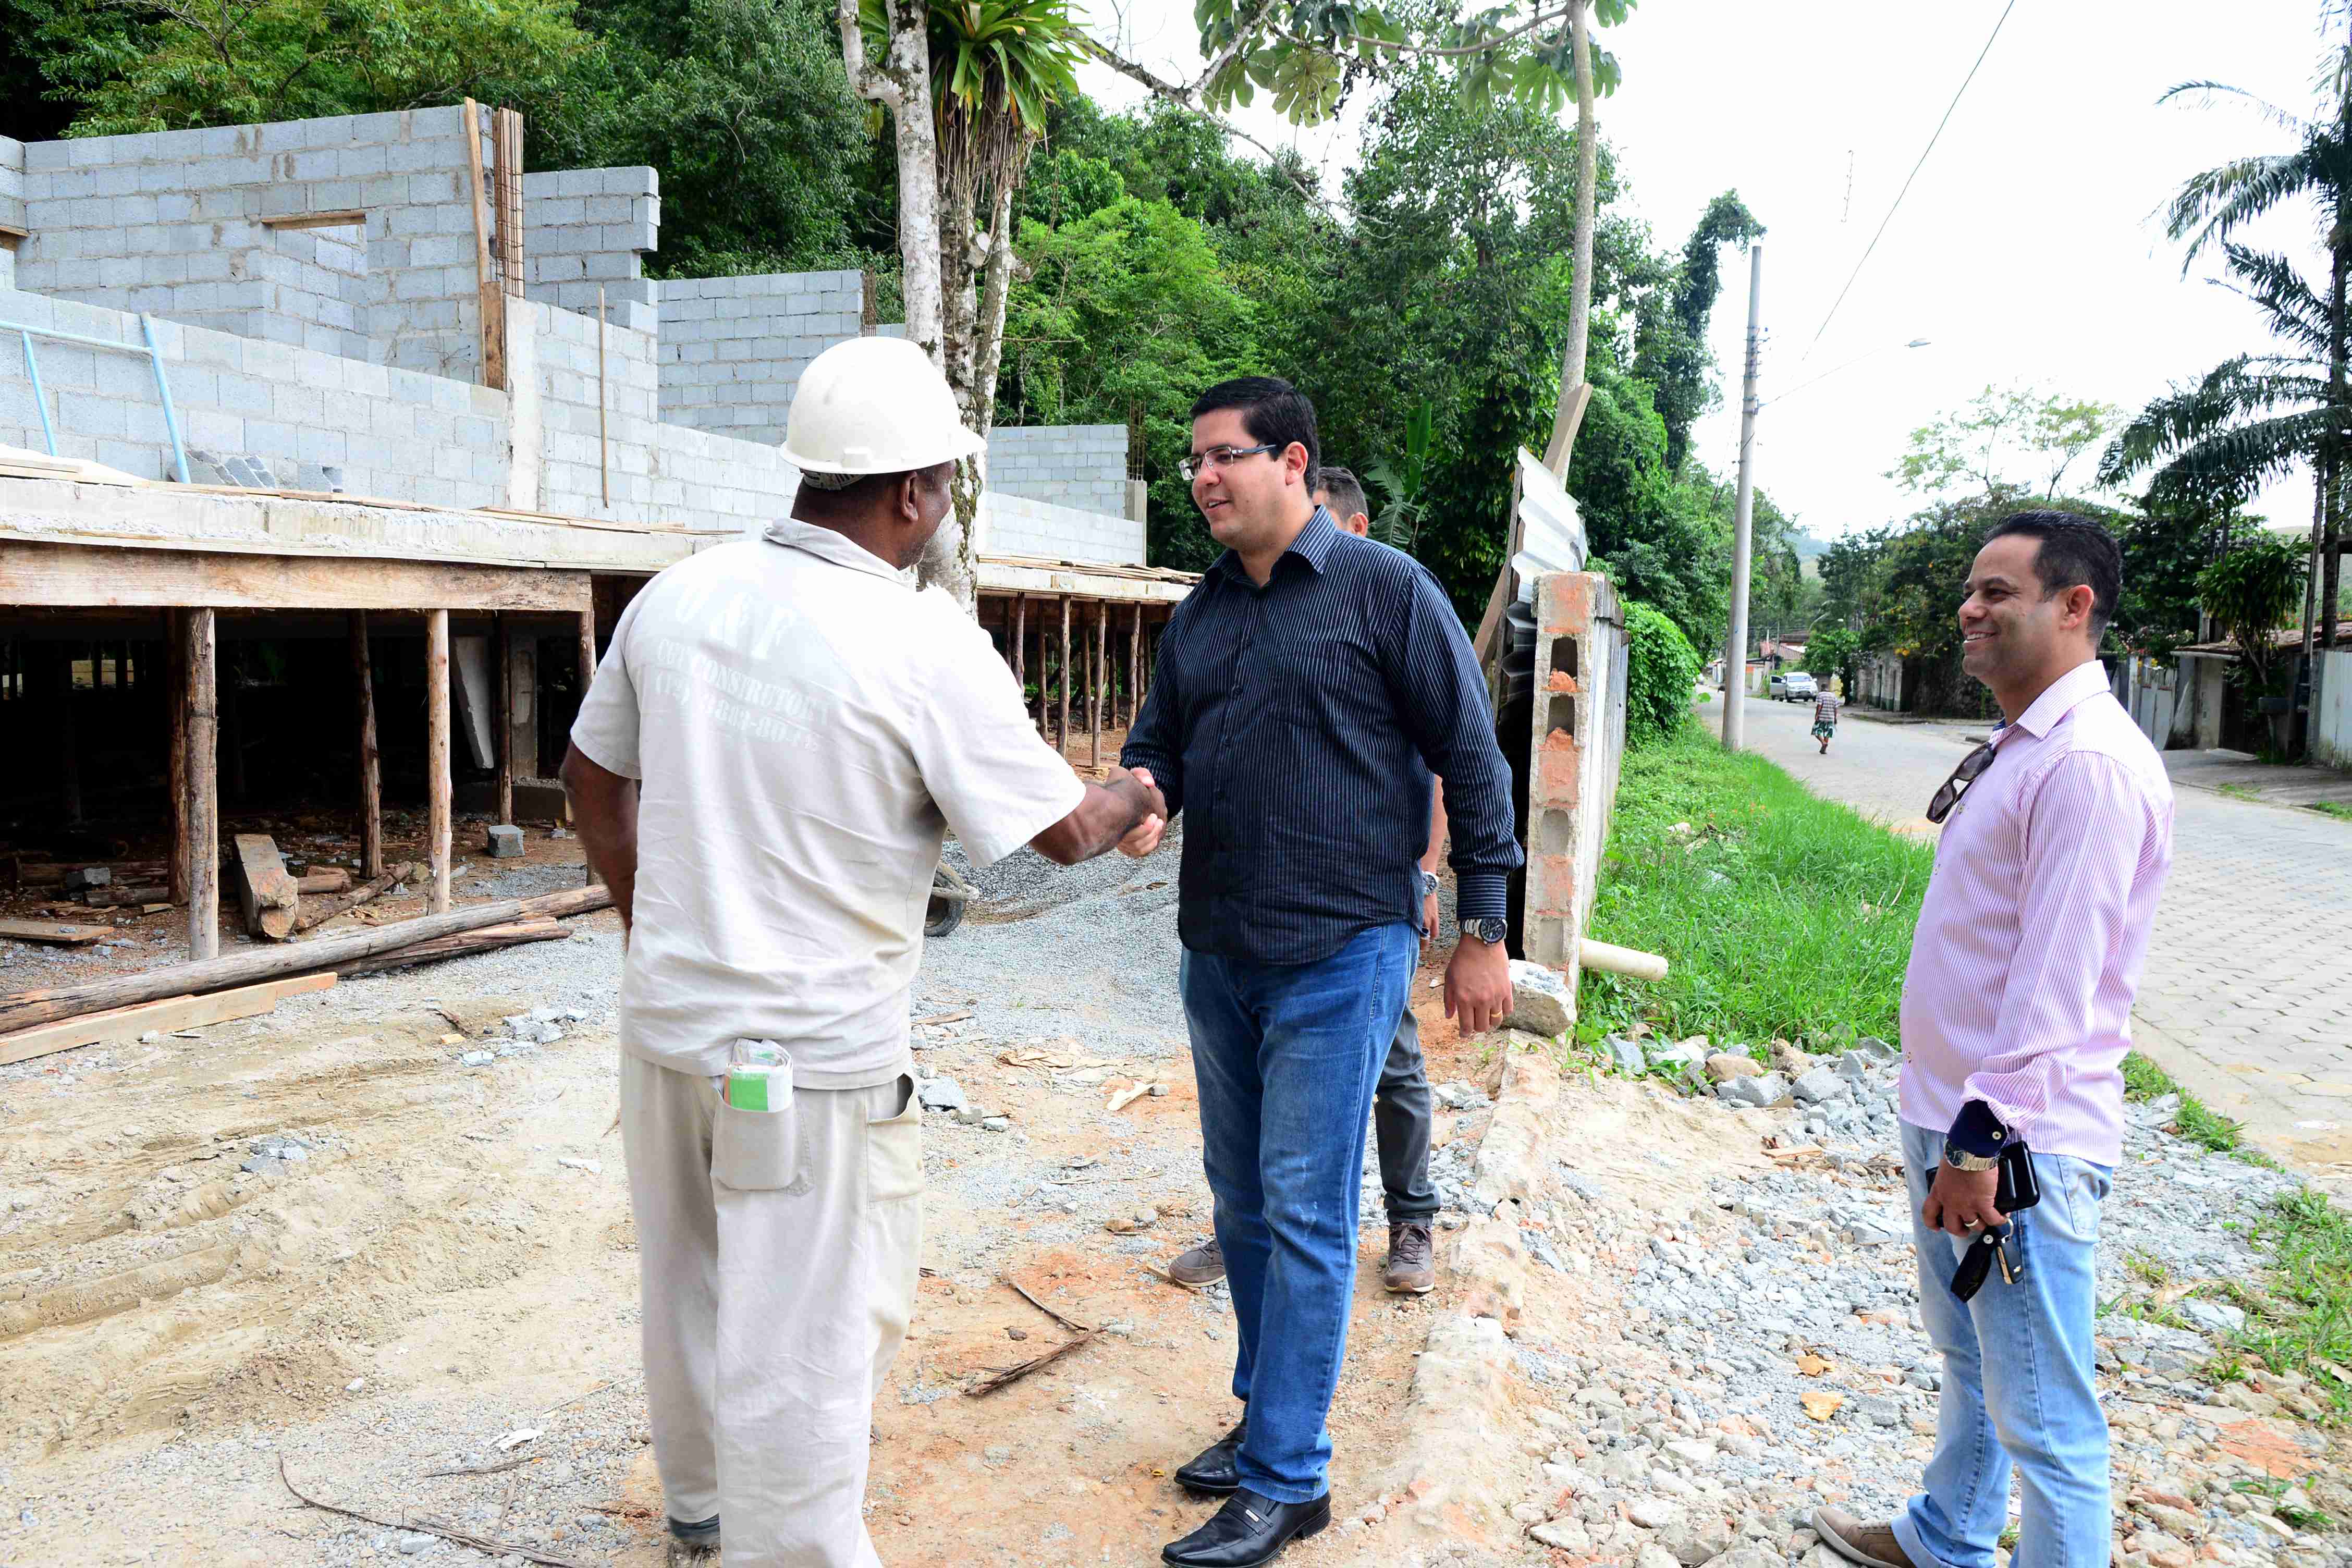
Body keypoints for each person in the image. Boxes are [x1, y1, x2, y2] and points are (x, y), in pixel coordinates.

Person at [560, 335, 1165, 1568]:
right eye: (944, 483)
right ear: (909, 494)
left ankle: (701, 1517)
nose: (944, 507)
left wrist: (651, 927)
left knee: (689, 1285)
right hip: (812, 1068)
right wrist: (1135, 790)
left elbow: (587, 773)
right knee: (809, 1328)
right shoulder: (921, 639)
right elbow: (1055, 834)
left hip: (667, 1028)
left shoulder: (680, 594)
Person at [1119, 378, 1522, 1568]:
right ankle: (1264, 1419)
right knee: (1241, 1200)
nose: (1200, 476)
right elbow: (1160, 751)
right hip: (1220, 952)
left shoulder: (1384, 590)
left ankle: (1289, 1480)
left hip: (1342, 950)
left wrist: (1483, 926)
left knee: (1300, 1206)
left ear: (1292, 461)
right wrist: (1140, 800)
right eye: (1190, 459)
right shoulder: (1195, 616)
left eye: (1221, 456)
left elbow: (1469, 752)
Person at [1812, 513, 2173, 1568]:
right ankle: (1949, 1534)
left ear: (2075, 607)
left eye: (1999, 592)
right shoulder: (2029, 746)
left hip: (2012, 1146)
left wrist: (1978, 1144)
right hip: (1952, 1117)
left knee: (2049, 1421)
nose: (1970, 610)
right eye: (1971, 590)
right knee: (1972, 1357)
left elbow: (2056, 984)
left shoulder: (2090, 768)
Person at [1165, 462, 1445, 1298]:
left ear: (1346, 527)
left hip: (1361, 911)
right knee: (1261, 1109)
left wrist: (1425, 882)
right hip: (1251, 921)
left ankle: (1411, 1217)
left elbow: (1441, 768)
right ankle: (1247, 1230)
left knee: (1393, 1065)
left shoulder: (1387, 596)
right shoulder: (1225, 613)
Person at [1812, 682, 1843, 754]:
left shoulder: (1820, 695)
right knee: (1827, 733)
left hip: (1822, 717)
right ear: (1828, 688)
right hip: (1831, 717)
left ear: (1822, 688)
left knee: (1816, 731)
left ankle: (1823, 742)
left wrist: (1817, 715)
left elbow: (1819, 706)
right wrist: (1835, 718)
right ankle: (1824, 749)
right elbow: (1836, 708)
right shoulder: (1833, 696)